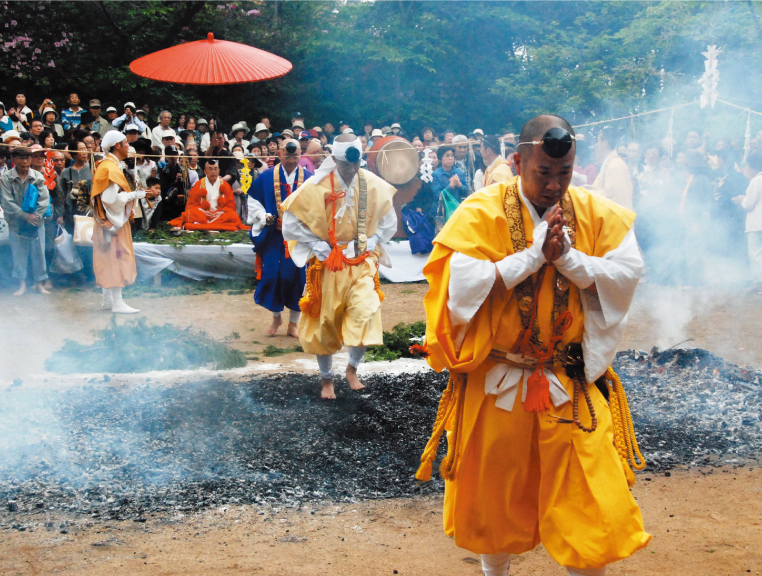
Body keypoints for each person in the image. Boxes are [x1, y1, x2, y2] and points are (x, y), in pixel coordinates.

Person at [417, 115, 649, 576]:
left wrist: (569, 259)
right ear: (518, 161)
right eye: (544, 173)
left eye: (564, 174)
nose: (554, 185)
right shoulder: (481, 212)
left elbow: (627, 272)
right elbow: (458, 287)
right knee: (494, 502)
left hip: (568, 380)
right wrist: (529, 258)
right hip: (500, 381)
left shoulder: (594, 212)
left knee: (593, 503)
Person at [281, 134, 397, 399]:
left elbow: (388, 217)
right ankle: (326, 380)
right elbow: (292, 219)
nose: (351, 169)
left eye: (355, 164)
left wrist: (374, 240)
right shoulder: (317, 185)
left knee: (365, 312)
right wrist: (319, 247)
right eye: (345, 164)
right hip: (329, 265)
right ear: (334, 159)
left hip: (361, 262)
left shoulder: (372, 184)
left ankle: (352, 369)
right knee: (326, 323)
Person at [247, 138, 313, 336]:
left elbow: (319, 206)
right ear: (279, 154)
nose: (292, 160)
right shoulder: (267, 177)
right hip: (274, 236)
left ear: (301, 154)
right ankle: (276, 318)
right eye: (287, 155)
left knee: (298, 278)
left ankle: (294, 322)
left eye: (295, 156)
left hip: (300, 238)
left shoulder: (310, 178)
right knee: (272, 275)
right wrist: (262, 216)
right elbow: (253, 201)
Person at [91, 131, 145, 313]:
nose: (129, 145)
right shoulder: (109, 167)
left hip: (107, 220)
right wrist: (134, 195)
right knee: (117, 258)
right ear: (117, 146)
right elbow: (110, 198)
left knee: (108, 257)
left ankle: (108, 300)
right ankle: (117, 302)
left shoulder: (108, 165)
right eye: (126, 143)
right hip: (113, 221)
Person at [0, 147, 50, 296]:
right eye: (22, 158)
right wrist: (23, 215)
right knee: (18, 253)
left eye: (28, 158)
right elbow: (7, 201)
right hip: (16, 221)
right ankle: (21, 284)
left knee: (38, 252)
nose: (25, 161)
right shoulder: (6, 178)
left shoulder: (37, 176)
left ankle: (39, 284)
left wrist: (35, 216)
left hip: (36, 221)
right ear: (14, 160)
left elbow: (44, 199)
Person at [169, 159, 249, 231]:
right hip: (203, 215)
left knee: (233, 215)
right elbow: (191, 205)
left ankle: (199, 226)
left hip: (219, 215)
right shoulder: (198, 184)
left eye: (215, 169)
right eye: (210, 169)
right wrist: (203, 211)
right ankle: (220, 226)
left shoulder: (225, 185)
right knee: (190, 214)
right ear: (205, 171)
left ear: (219, 171)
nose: (213, 172)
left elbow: (230, 206)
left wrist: (221, 212)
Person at [734, 152, 762, 290]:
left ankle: (759, 283)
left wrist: (741, 200)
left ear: (751, 167)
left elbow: (749, 204)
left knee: (756, 253)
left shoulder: (756, 181)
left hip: (757, 224)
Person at [590, 128, 633, 210]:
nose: (596, 146)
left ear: (605, 143)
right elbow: (605, 190)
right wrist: (590, 189)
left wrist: (587, 194)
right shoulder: (609, 164)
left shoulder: (615, 164)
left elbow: (613, 196)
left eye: (598, 141)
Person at [431, 145, 468, 229]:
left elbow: (467, 192)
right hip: (441, 212)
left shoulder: (459, 172)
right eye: (447, 156)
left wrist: (459, 185)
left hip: (457, 210)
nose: (450, 158)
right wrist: (451, 186)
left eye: (452, 155)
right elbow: (437, 195)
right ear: (440, 159)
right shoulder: (436, 174)